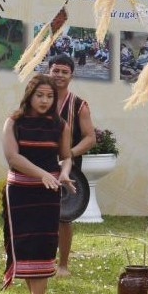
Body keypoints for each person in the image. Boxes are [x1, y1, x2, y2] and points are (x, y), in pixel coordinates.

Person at [2, 74, 75, 294]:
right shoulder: (14, 122)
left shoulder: (60, 125)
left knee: (43, 244)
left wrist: (64, 173)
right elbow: (13, 158)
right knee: (25, 244)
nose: (45, 101)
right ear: (29, 95)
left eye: (50, 96)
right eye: (40, 95)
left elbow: (66, 157)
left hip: (48, 193)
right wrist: (42, 173)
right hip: (19, 191)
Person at [49, 53, 96, 276]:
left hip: (69, 168)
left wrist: (69, 154)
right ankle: (42, 260)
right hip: (38, 165)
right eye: (56, 71)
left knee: (64, 215)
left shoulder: (79, 105)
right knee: (38, 212)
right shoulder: (37, 99)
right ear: (48, 72)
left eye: (64, 72)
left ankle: (63, 265)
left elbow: (90, 138)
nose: (59, 75)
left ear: (71, 76)